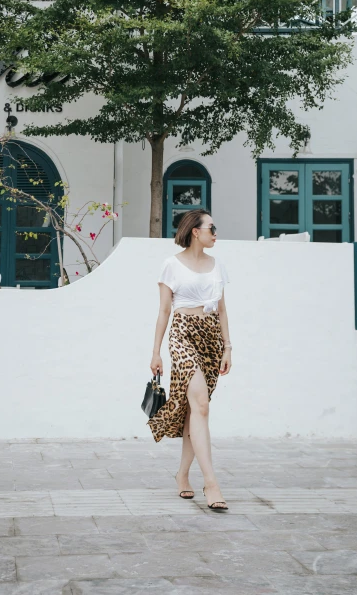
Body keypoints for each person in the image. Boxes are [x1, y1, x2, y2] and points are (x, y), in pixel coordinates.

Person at [148, 209, 232, 511]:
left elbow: (221, 311)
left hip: (210, 337)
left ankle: (182, 475)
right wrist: (156, 351)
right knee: (202, 404)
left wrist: (227, 347)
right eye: (212, 227)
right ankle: (212, 483)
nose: (215, 233)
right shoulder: (171, 265)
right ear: (195, 231)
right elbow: (164, 311)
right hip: (182, 332)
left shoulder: (216, 265)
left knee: (195, 411)